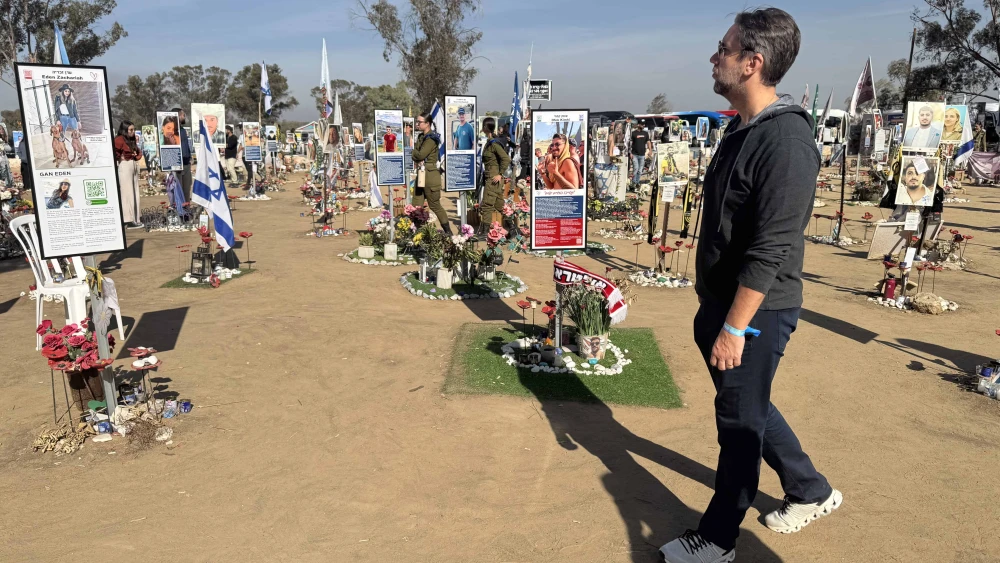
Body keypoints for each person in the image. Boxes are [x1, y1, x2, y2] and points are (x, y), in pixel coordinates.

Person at [659, 9, 841, 563]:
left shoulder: (786, 140)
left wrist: (735, 327)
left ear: (752, 63)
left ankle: (717, 540)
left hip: (756, 311)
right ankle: (811, 489)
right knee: (749, 405)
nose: (714, 55)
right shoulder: (742, 128)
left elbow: (771, 247)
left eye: (724, 47)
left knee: (737, 424)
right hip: (722, 304)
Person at [412, 111, 451, 234]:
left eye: (420, 122)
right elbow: (418, 154)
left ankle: (448, 232)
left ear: (427, 124)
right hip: (421, 174)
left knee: (434, 205)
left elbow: (420, 154)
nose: (417, 124)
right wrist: (417, 155)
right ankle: (417, 233)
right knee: (416, 205)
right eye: (417, 121)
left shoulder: (431, 139)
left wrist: (414, 153)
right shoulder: (421, 137)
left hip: (430, 174)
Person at [479, 117, 511, 226]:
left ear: (485, 128)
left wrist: (500, 174)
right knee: (499, 205)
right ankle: (513, 228)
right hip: (490, 177)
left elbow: (506, 159)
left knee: (487, 205)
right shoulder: (489, 142)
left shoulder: (494, 144)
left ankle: (484, 231)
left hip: (493, 179)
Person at [114, 121, 144, 229]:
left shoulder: (131, 140)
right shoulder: (119, 140)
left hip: (133, 165)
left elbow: (137, 152)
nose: (133, 132)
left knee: (135, 192)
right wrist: (119, 157)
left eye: (133, 129)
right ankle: (128, 219)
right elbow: (114, 152)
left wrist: (136, 155)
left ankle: (136, 218)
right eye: (130, 130)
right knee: (127, 193)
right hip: (125, 166)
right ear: (125, 130)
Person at [174, 108, 193, 204]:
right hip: (177, 164)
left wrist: (190, 157)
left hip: (186, 164)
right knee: (179, 189)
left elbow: (186, 145)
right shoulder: (172, 131)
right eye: (182, 115)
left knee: (187, 189)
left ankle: (187, 211)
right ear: (176, 116)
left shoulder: (182, 130)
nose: (184, 117)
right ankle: (179, 211)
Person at [630, 120, 651, 185]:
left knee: (640, 170)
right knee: (635, 168)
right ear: (638, 125)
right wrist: (630, 153)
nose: (643, 125)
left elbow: (648, 142)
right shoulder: (633, 133)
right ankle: (633, 182)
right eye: (642, 124)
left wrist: (650, 150)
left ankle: (637, 182)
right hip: (634, 154)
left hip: (642, 154)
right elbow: (630, 143)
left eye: (644, 124)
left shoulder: (645, 133)